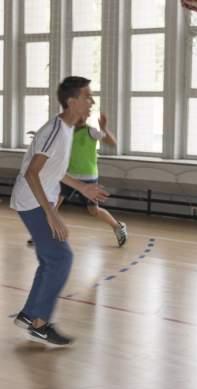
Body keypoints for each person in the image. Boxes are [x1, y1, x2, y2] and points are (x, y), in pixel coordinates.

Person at [11, 76, 109, 346]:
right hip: (32, 201)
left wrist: (83, 188)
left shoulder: (66, 129)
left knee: (51, 259)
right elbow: (32, 173)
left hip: (37, 199)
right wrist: (52, 214)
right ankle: (39, 323)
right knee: (61, 258)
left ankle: (30, 316)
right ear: (72, 101)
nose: (91, 102)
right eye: (87, 97)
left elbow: (56, 170)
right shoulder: (55, 130)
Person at [27, 114, 127, 247]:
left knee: (93, 211)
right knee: (53, 206)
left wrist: (104, 128)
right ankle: (41, 235)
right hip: (69, 176)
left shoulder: (91, 131)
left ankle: (117, 227)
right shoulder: (66, 133)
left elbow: (112, 142)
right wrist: (38, 137)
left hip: (89, 178)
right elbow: (51, 142)